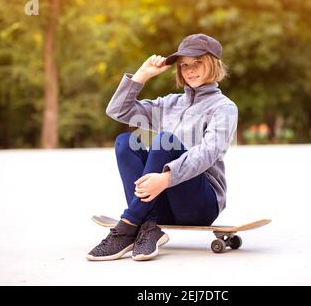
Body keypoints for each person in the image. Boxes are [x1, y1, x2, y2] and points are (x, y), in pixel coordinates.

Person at [86, 34, 238, 261]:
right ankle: (148, 226)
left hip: (199, 205)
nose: (190, 70)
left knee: (164, 141)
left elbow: (208, 153)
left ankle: (127, 226)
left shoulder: (223, 108)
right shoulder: (170, 104)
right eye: (184, 64)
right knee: (125, 142)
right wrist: (141, 76)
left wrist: (167, 178)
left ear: (213, 63)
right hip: (159, 206)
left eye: (197, 62)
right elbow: (118, 111)